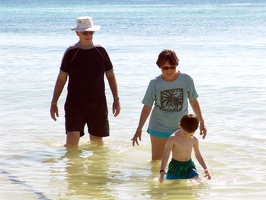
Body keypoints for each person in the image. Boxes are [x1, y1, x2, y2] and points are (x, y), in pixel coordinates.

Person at [50, 16, 121, 146]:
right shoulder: (71, 53)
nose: (88, 35)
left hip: (97, 103)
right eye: (85, 32)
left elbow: (110, 75)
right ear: (77, 33)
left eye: (91, 32)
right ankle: (72, 165)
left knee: (97, 144)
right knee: (71, 142)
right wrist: (54, 102)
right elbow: (61, 78)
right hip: (75, 103)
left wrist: (116, 99)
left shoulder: (101, 51)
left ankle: (96, 167)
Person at [131, 49, 207, 160]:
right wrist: (139, 129)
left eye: (172, 67)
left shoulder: (186, 80)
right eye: (165, 68)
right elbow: (147, 108)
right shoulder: (154, 83)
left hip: (182, 128)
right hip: (159, 127)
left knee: (181, 161)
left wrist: (201, 122)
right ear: (160, 67)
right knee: (157, 162)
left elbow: (194, 102)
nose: (169, 70)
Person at [159, 114, 211, 182]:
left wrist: (205, 168)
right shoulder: (173, 138)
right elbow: (166, 155)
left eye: (191, 134)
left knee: (198, 183)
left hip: (189, 167)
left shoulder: (194, 140)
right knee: (173, 188)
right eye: (184, 133)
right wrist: (162, 170)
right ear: (179, 125)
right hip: (175, 167)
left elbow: (198, 155)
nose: (188, 136)